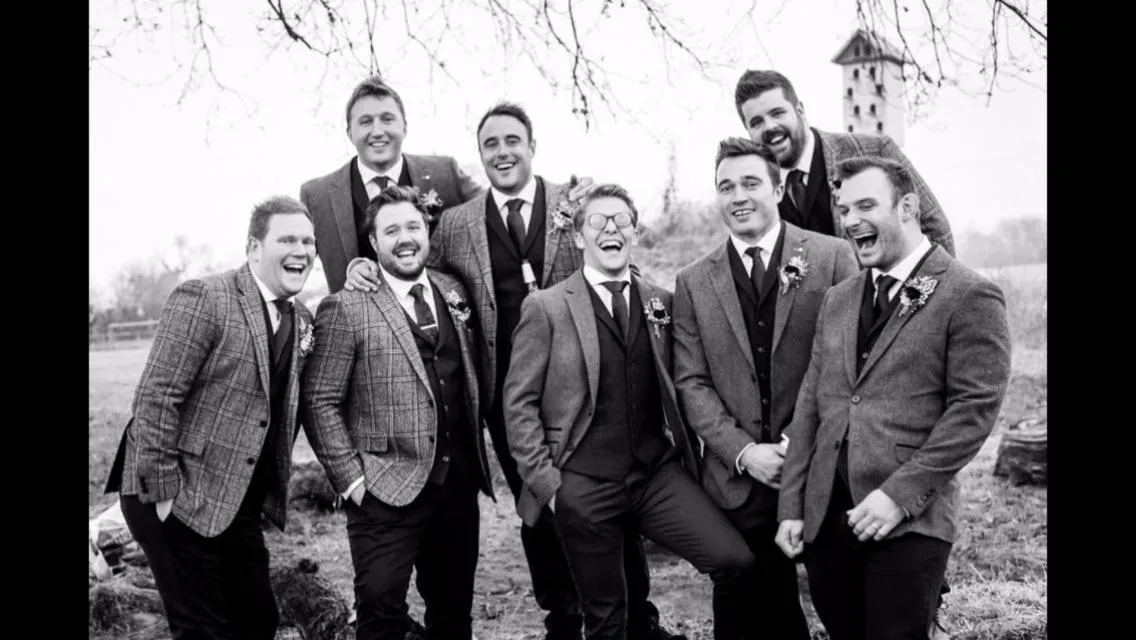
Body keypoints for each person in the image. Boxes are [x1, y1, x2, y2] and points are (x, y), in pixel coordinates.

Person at [344, 103, 678, 640]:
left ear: (532, 146)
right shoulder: (455, 223)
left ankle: (638, 618)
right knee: (540, 509)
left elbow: (618, 262)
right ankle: (563, 619)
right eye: (491, 144)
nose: (503, 152)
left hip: (586, 390)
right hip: (508, 397)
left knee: (609, 499)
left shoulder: (575, 203)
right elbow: (416, 273)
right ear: (481, 155)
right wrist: (362, 267)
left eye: (512, 141)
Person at [504, 183, 756, 640]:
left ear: (634, 233)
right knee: (607, 618)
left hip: (655, 475)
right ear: (580, 238)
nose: (611, 229)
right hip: (582, 482)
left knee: (733, 560)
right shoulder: (546, 307)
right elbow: (518, 404)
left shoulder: (662, 301)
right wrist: (550, 485)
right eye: (598, 221)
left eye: (621, 220)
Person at [775, 157, 1011, 640]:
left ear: (907, 207)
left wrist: (898, 498)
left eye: (866, 205)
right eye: (845, 208)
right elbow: (811, 408)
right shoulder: (838, 299)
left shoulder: (969, 294)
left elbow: (972, 412)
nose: (850, 220)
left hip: (910, 521)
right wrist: (792, 506)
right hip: (827, 520)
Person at [103, 195, 318, 639]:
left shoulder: (300, 319)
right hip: (171, 490)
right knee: (201, 629)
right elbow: (155, 398)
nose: (302, 250)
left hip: (234, 500)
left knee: (257, 619)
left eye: (308, 241)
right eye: (287, 239)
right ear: (254, 247)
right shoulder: (205, 297)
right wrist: (164, 498)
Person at [672, 137, 859, 640]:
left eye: (751, 183)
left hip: (820, 468)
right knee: (749, 613)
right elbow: (690, 381)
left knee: (843, 600)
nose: (738, 196)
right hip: (739, 480)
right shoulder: (692, 281)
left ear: (777, 188)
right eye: (726, 187)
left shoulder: (833, 257)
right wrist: (744, 452)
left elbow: (845, 367)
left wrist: (795, 444)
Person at [300, 186, 495, 639]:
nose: (404, 238)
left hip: (457, 486)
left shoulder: (452, 290)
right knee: (381, 611)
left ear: (426, 230)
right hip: (383, 490)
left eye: (412, 226)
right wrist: (352, 481)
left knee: (452, 614)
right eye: (391, 230)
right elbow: (320, 399)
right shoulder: (346, 307)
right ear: (373, 243)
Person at [733, 69, 955, 257]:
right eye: (756, 122)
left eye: (777, 113)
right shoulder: (757, 191)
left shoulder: (875, 150)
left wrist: (927, 301)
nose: (770, 127)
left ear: (800, 110)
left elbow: (933, 227)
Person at [300, 76, 482, 293]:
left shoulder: (445, 173)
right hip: (361, 323)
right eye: (365, 121)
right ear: (349, 132)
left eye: (387, 119)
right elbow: (292, 257)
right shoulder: (316, 196)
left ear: (404, 127)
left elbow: (492, 212)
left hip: (442, 318)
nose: (377, 131)